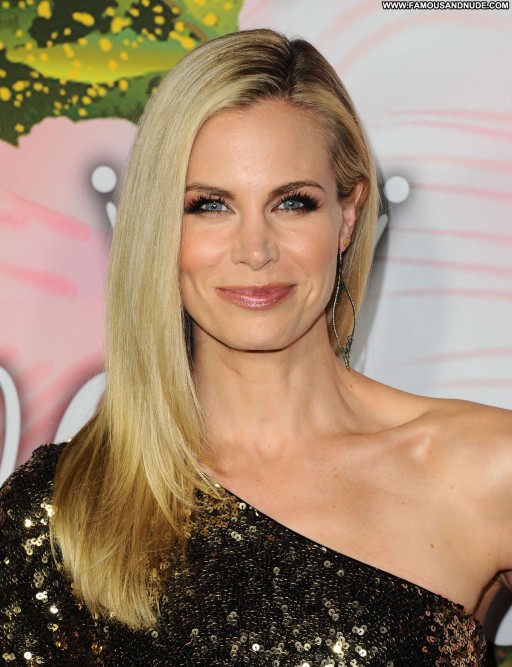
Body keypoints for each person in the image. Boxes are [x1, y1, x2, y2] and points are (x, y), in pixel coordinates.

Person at [1, 28, 511, 667]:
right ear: (160, 226)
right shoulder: (66, 510)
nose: (255, 250)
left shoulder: (485, 468)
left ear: (348, 216)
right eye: (210, 206)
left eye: (292, 203)